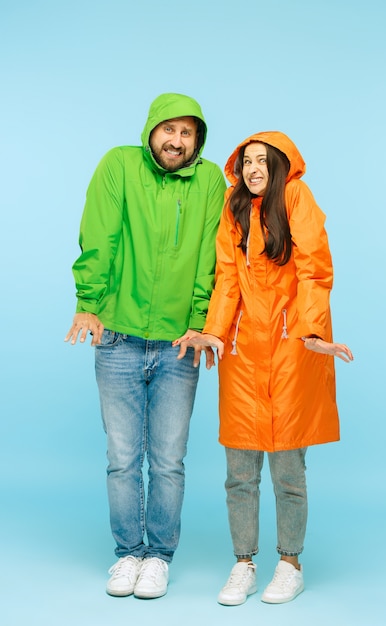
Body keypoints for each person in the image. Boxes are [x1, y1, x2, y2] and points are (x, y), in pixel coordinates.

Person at [174, 131, 353, 606]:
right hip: (242, 352)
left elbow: (315, 266)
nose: (253, 169)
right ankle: (243, 563)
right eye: (246, 161)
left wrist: (311, 330)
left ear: (279, 167)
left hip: (290, 347)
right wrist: (214, 330)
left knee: (288, 471)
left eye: (262, 161)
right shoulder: (234, 209)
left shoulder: (295, 196)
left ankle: (290, 562)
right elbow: (227, 277)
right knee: (240, 470)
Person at [65, 93, 226, 599]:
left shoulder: (210, 181)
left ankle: (158, 556)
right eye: (169, 129)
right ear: (152, 129)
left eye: (187, 133)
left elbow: (210, 256)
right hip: (118, 336)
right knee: (121, 456)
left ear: (197, 140)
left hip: (180, 344)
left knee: (169, 458)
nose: (176, 140)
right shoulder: (119, 165)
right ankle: (127, 554)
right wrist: (88, 301)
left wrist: (200, 322)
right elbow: (100, 237)